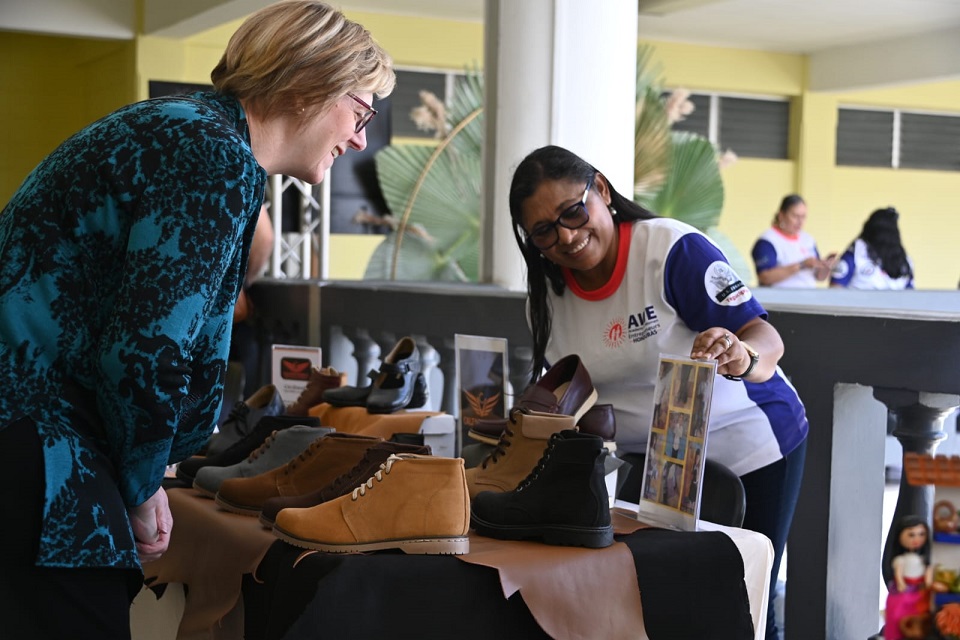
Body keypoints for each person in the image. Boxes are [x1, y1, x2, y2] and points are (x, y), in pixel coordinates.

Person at [0, 2, 394, 636]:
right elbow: (146, 352)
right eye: (361, 109)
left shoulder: (187, 131)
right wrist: (141, 484)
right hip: (38, 449)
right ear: (308, 86)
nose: (360, 138)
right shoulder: (212, 156)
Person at [509, 145, 809, 640]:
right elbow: (574, 391)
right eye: (544, 231)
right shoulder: (548, 297)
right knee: (668, 605)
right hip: (658, 470)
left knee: (745, 604)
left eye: (574, 212)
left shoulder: (670, 251)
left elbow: (766, 339)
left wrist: (741, 354)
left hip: (751, 447)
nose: (566, 235)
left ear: (601, 191)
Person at [752, 194, 837, 287]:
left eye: (803, 217)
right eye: (795, 216)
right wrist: (801, 265)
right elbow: (765, 277)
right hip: (780, 299)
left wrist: (825, 266)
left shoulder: (808, 239)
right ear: (781, 215)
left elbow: (819, 277)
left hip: (808, 298)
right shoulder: (768, 241)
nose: (800, 222)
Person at [830, 207, 914, 290]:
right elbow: (835, 289)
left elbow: (910, 296)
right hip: (857, 303)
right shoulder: (857, 251)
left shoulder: (903, 260)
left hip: (894, 303)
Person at [883, 516, 933, 640]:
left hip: (920, 590)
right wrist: (900, 583)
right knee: (898, 613)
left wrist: (928, 582)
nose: (917, 539)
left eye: (921, 534)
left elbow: (928, 574)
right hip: (905, 589)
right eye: (911, 535)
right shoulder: (900, 559)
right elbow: (899, 575)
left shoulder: (924, 560)